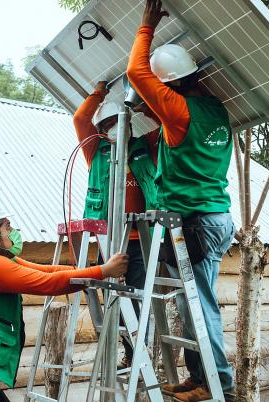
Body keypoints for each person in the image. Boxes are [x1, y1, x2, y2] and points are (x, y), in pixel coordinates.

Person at [126, 0, 236, 401]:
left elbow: (136, 72)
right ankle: (200, 376)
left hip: (196, 220)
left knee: (202, 307)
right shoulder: (215, 108)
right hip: (213, 217)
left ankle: (218, 384)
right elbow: (182, 131)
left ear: (168, 86)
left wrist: (146, 25)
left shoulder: (179, 111)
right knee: (193, 305)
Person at [0, 196, 128, 402]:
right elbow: (46, 282)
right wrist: (104, 270)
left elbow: (45, 270)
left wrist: (91, 272)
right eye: (7, 227)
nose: (13, 232)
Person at [73, 81, 159, 368]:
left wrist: (142, 99)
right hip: (107, 241)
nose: (114, 128)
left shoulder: (144, 145)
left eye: (118, 122)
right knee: (114, 301)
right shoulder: (95, 151)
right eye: (108, 123)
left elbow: (163, 122)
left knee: (137, 299)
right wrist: (99, 90)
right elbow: (80, 119)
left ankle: (139, 355)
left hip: (139, 241)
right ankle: (126, 349)